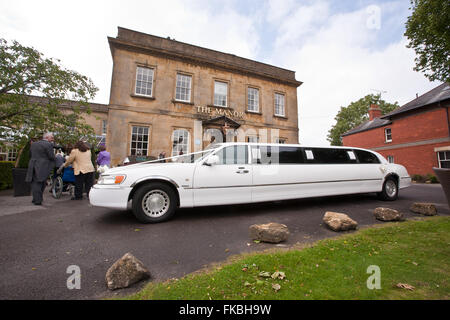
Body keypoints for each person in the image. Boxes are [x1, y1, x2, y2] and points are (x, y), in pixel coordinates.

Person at [25, 133, 56, 205]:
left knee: (35, 182)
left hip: (33, 165)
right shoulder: (48, 145)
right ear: (47, 137)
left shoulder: (34, 144)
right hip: (43, 166)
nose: (52, 139)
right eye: (52, 138)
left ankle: (36, 198)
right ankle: (38, 200)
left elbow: (29, 155)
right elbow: (51, 156)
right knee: (40, 183)